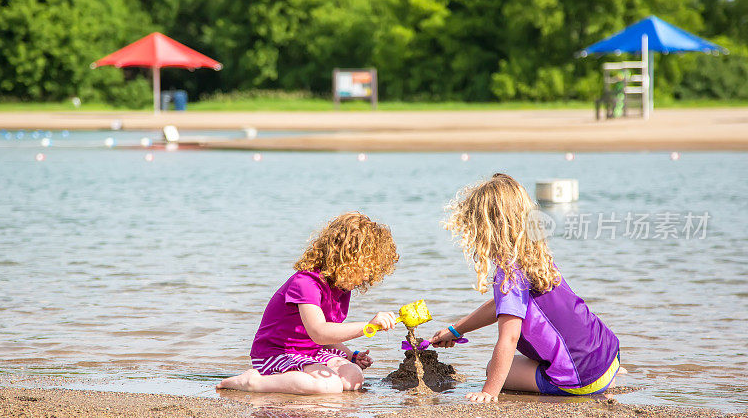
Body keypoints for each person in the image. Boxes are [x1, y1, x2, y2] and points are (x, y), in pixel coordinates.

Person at [431, 173, 623, 403]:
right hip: (608, 356)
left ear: (487, 229)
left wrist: (489, 391)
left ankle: (589, 383)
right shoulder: (535, 256)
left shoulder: (509, 274)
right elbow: (501, 306)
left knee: (494, 367)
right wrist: (456, 330)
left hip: (580, 379)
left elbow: (509, 338)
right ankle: (607, 378)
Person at [217, 212, 399, 395]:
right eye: (365, 268)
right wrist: (368, 326)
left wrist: (350, 355)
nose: (368, 276)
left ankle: (303, 376)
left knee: (353, 378)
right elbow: (319, 332)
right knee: (329, 386)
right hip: (277, 353)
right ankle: (253, 382)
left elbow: (327, 336)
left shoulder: (342, 289)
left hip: (310, 352)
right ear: (345, 258)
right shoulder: (306, 283)